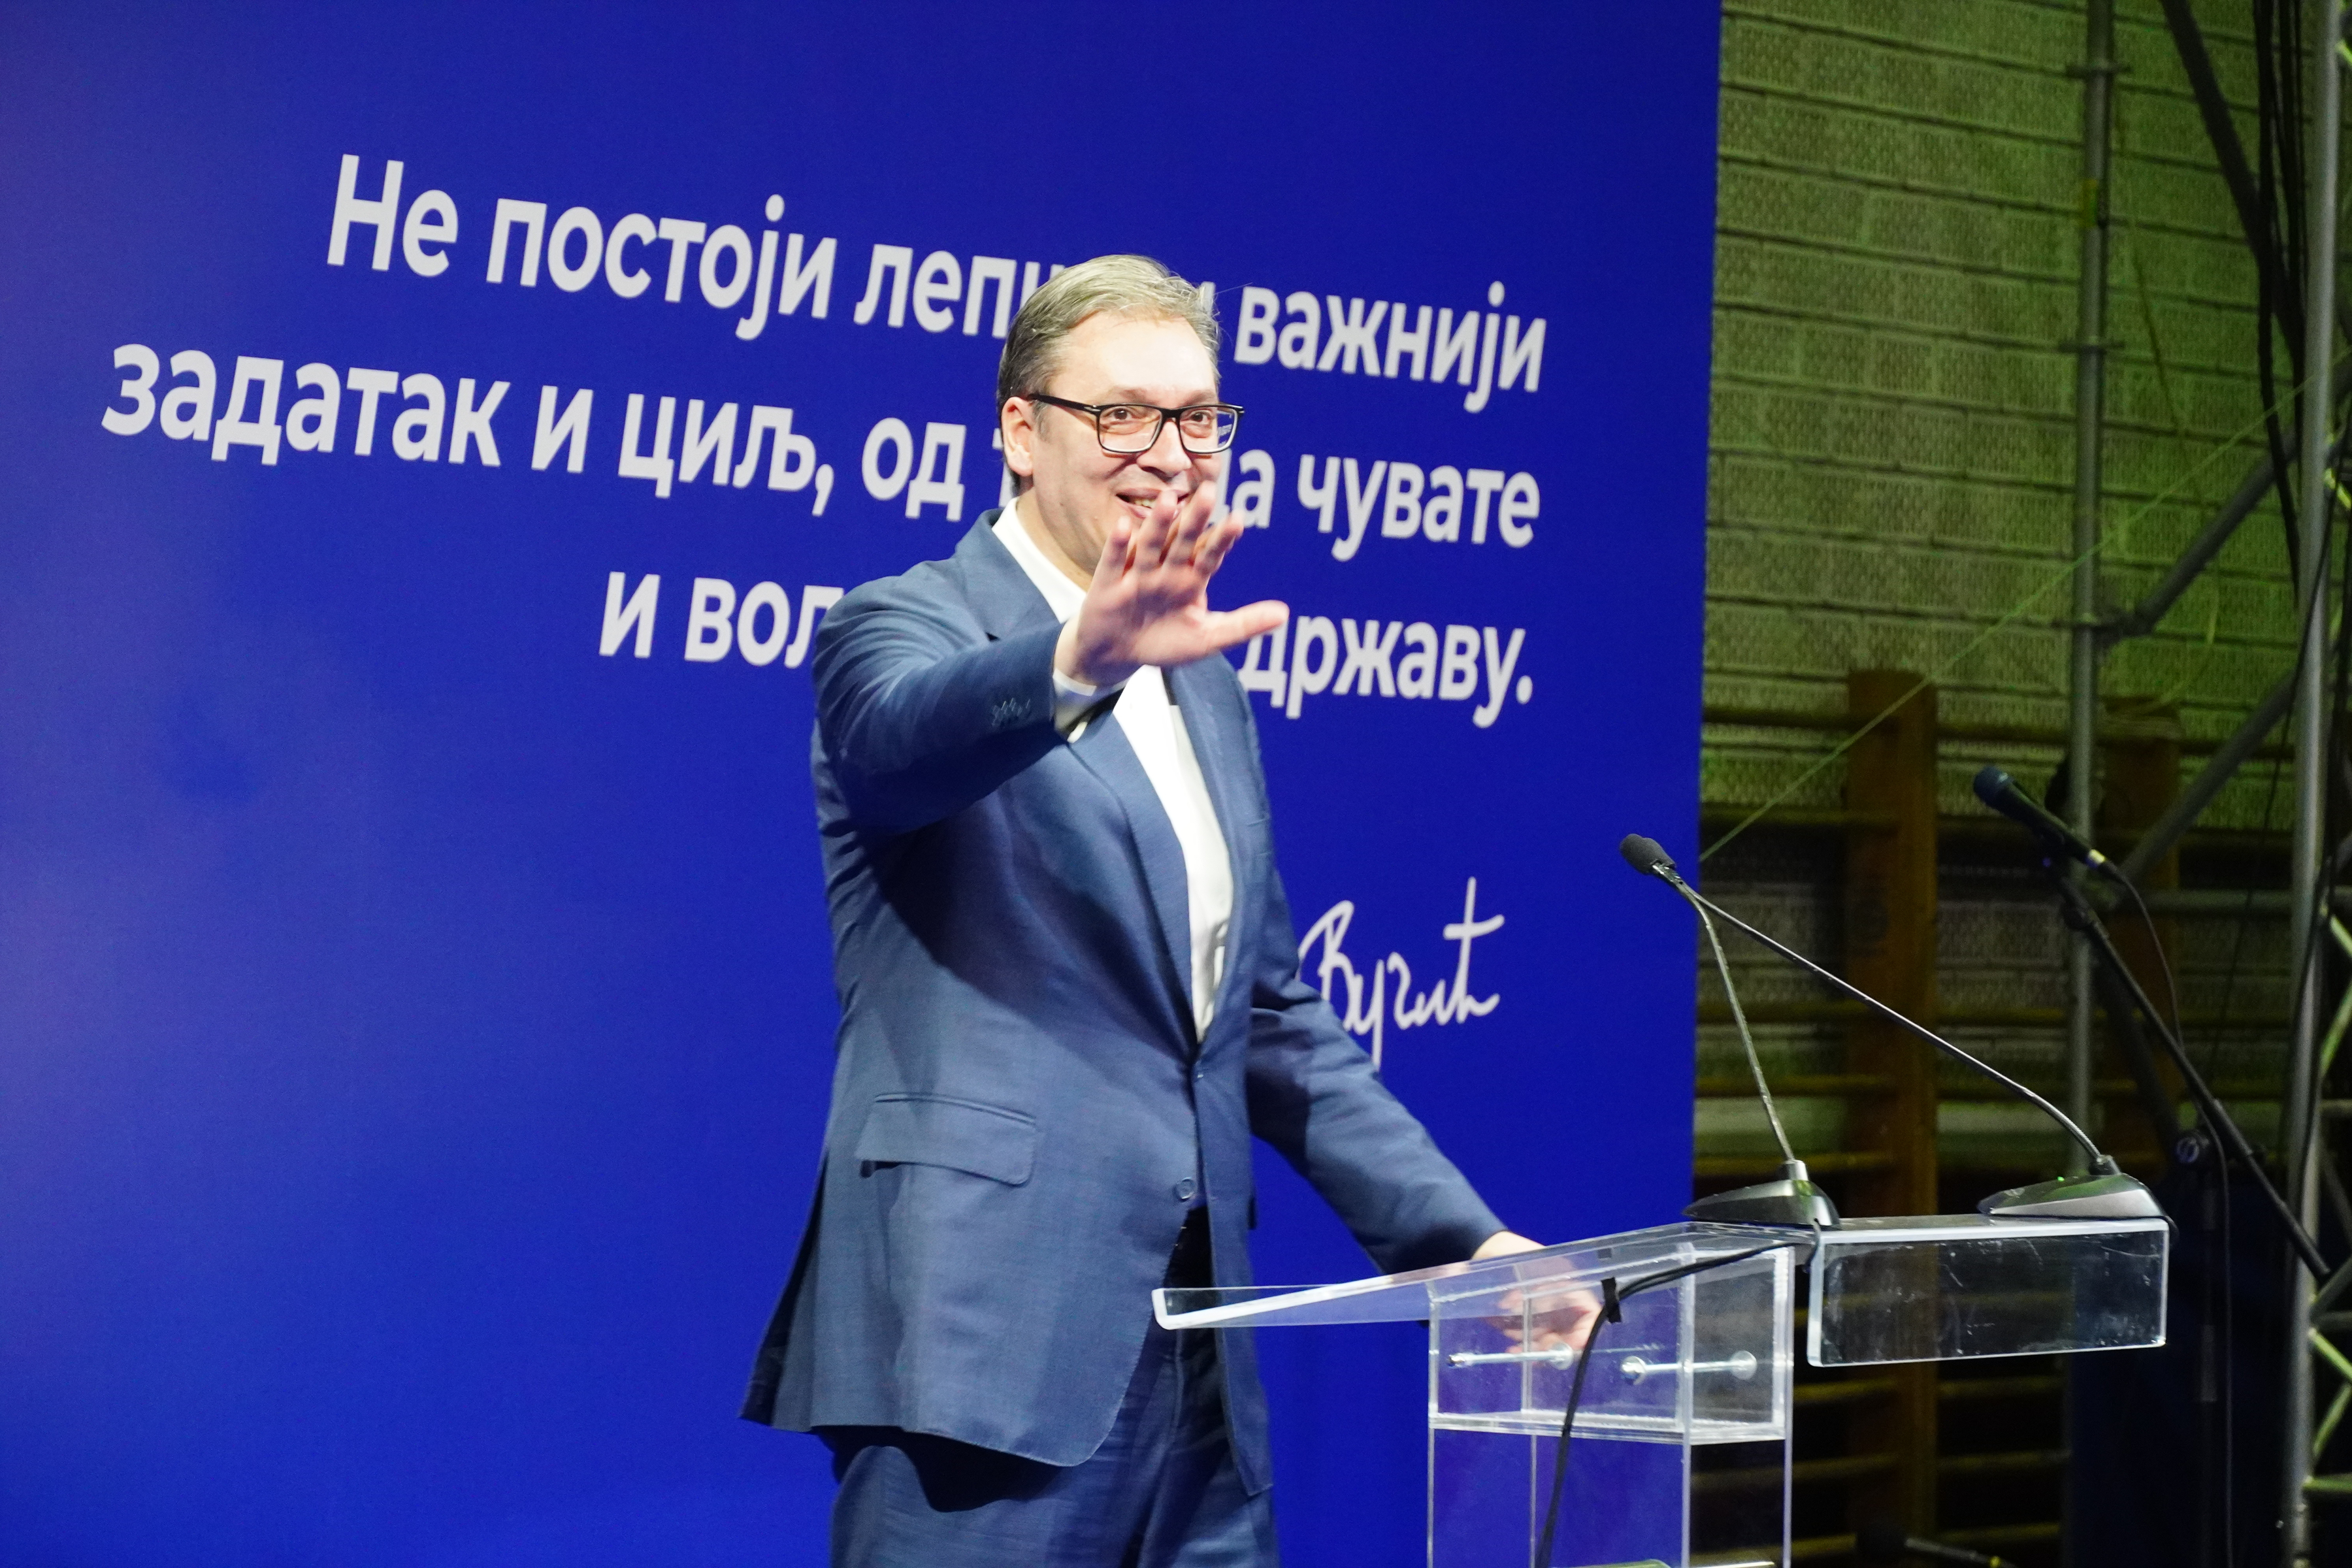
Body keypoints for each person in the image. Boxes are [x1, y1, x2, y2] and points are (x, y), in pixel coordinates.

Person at [741, 254, 1550, 1567]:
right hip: (983, 1351)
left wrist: (1465, 1241)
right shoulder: (901, 624)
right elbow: (900, 745)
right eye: (1121, 413)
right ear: (1019, 429)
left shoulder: (1204, 687)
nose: (1168, 452)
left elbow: (1269, 1022)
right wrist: (1079, 660)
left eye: (1198, 418)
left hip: (1200, 1371)